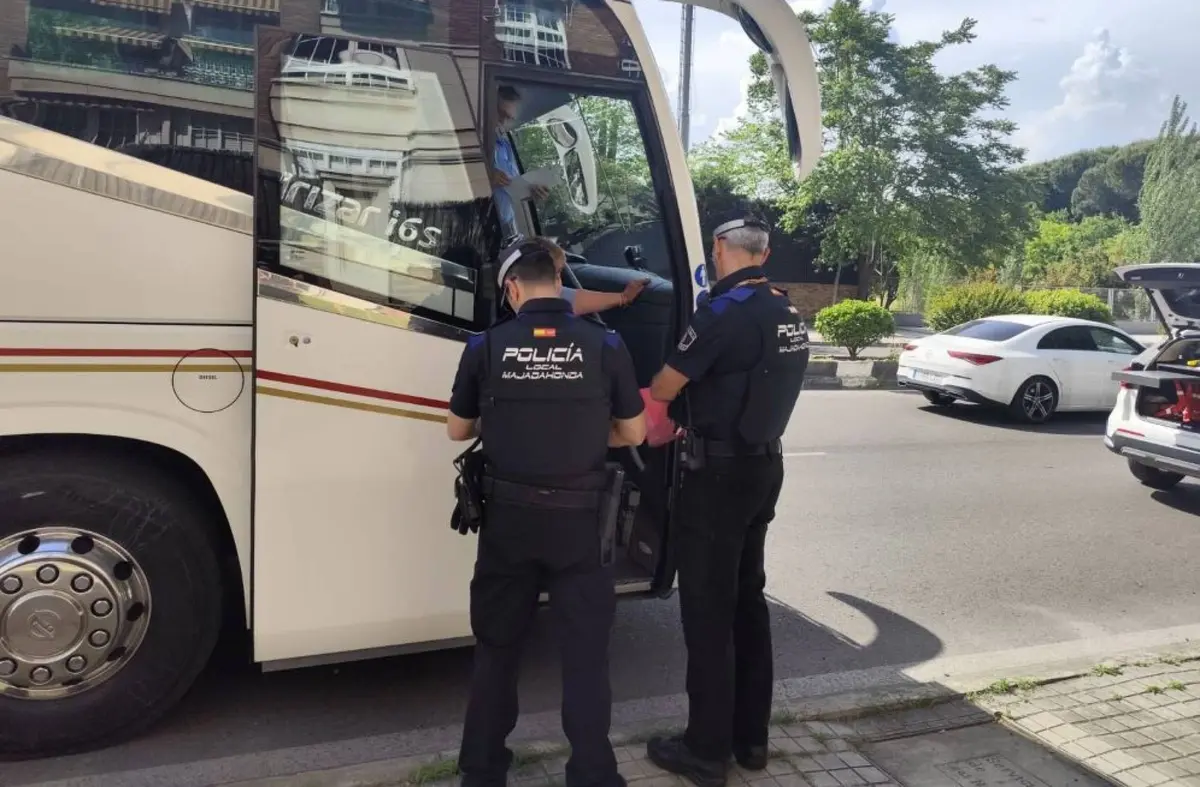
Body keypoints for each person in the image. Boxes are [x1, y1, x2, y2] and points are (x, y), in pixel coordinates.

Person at [446, 237, 647, 787]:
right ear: (558, 284)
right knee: (584, 654)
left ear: (512, 287)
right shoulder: (606, 345)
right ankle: (592, 773)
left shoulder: (484, 346)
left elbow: (457, 430)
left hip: (508, 524)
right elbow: (634, 432)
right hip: (582, 525)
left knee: (496, 650)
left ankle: (482, 773)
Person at [642, 213, 809, 787]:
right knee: (747, 600)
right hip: (764, 466)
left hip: (715, 476)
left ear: (720, 249)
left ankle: (706, 750)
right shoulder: (787, 309)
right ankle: (751, 740)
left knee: (708, 614)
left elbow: (666, 386)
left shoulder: (722, 311)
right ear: (763, 252)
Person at [526, 236, 651, 317]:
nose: (559, 280)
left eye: (559, 273)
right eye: (556, 272)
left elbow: (574, 299)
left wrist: (623, 297)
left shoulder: (549, 295)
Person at [492, 85, 549, 237]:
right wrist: (484, 178)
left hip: (506, 227)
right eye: (500, 113)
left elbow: (512, 184)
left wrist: (531, 191)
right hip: (475, 226)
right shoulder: (469, 140)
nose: (502, 121)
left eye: (508, 118)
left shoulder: (505, 145)